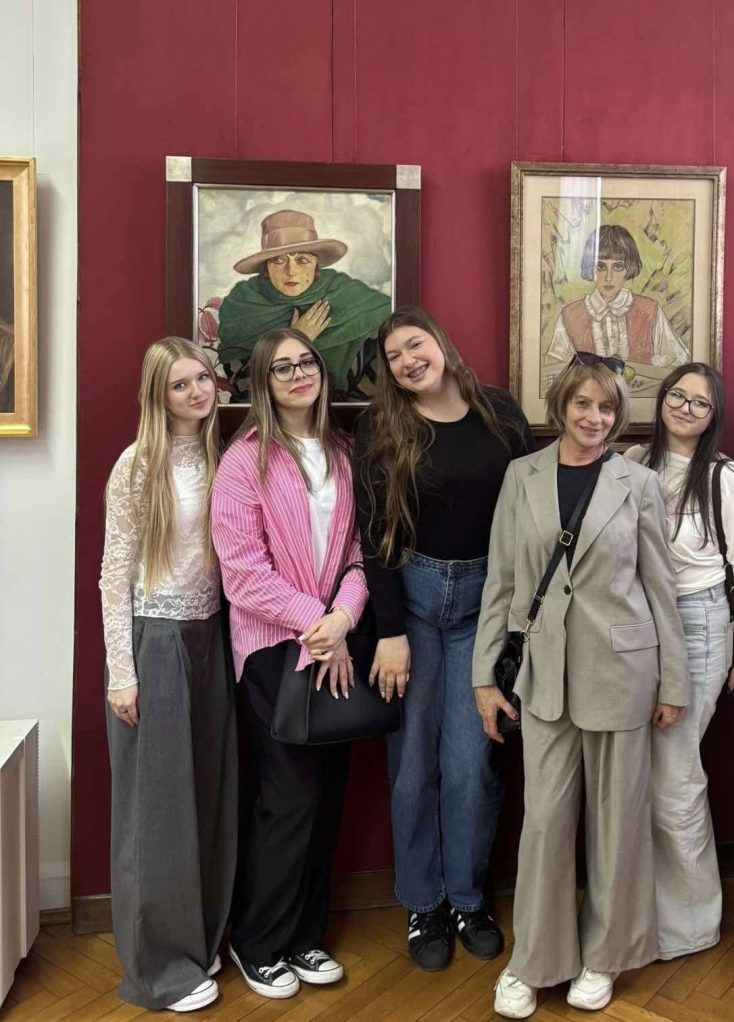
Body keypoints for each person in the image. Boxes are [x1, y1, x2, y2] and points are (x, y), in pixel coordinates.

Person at [473, 353, 689, 1018]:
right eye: (583, 404)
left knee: (617, 824)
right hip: (542, 676)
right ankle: (534, 961)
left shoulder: (637, 483)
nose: (595, 418)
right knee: (544, 822)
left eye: (607, 407)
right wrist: (485, 676)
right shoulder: (522, 475)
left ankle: (605, 955)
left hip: (623, 673)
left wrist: (674, 682)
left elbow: (659, 586)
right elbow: (502, 580)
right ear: (562, 405)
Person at [353, 306, 534, 972]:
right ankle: (423, 903)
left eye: (415, 344)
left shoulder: (499, 412)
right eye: (394, 356)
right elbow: (375, 535)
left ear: (441, 343)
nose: (408, 361)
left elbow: (530, 508)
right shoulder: (380, 425)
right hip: (414, 605)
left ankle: (467, 897)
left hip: (486, 605)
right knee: (411, 769)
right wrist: (390, 632)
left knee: (470, 765)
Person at [211, 327, 367, 999]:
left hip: (335, 642)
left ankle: (304, 936)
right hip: (274, 648)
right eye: (283, 367)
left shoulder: (344, 451)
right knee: (288, 799)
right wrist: (315, 623)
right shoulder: (243, 460)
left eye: (307, 362)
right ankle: (258, 942)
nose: (299, 373)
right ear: (263, 383)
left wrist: (343, 620)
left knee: (327, 796)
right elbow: (242, 574)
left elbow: (358, 554)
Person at [99, 337, 236, 1012]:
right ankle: (158, 970)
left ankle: (198, 940)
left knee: (207, 797)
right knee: (157, 813)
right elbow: (113, 575)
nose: (196, 392)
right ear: (159, 394)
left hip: (213, 637)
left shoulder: (222, 458)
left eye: (202, 378)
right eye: (180, 384)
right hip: (155, 642)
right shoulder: (137, 465)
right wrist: (120, 673)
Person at [625, 362, 734, 959]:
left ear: (713, 417)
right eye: (677, 396)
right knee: (642, 779)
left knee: (676, 777)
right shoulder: (634, 463)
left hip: (700, 623)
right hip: (638, 627)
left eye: (699, 403)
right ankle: (645, 913)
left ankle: (690, 926)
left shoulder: (723, 477)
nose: (685, 407)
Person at [217, 209, 392, 399]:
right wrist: (294, 340)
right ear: (266, 267)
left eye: (302, 260)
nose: (291, 271)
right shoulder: (241, 305)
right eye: (278, 260)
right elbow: (244, 390)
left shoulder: (350, 296)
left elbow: (378, 388)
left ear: (316, 265)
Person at [544, 224, 688, 370]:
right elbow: (556, 369)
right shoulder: (570, 315)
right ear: (590, 268)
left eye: (618, 267)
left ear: (629, 268)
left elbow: (676, 360)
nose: (609, 277)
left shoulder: (650, 310)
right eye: (600, 267)